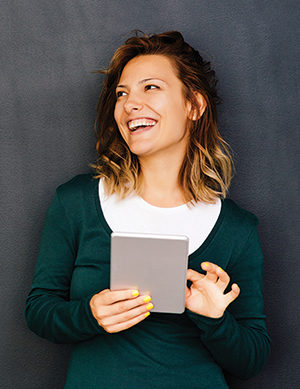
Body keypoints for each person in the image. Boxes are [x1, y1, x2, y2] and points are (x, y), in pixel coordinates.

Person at [25, 31, 270, 388]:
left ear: (194, 106)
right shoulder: (75, 202)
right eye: (122, 93)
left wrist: (215, 319)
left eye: (150, 87)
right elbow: (39, 310)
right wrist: (88, 314)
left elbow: (252, 360)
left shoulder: (237, 229)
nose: (129, 104)